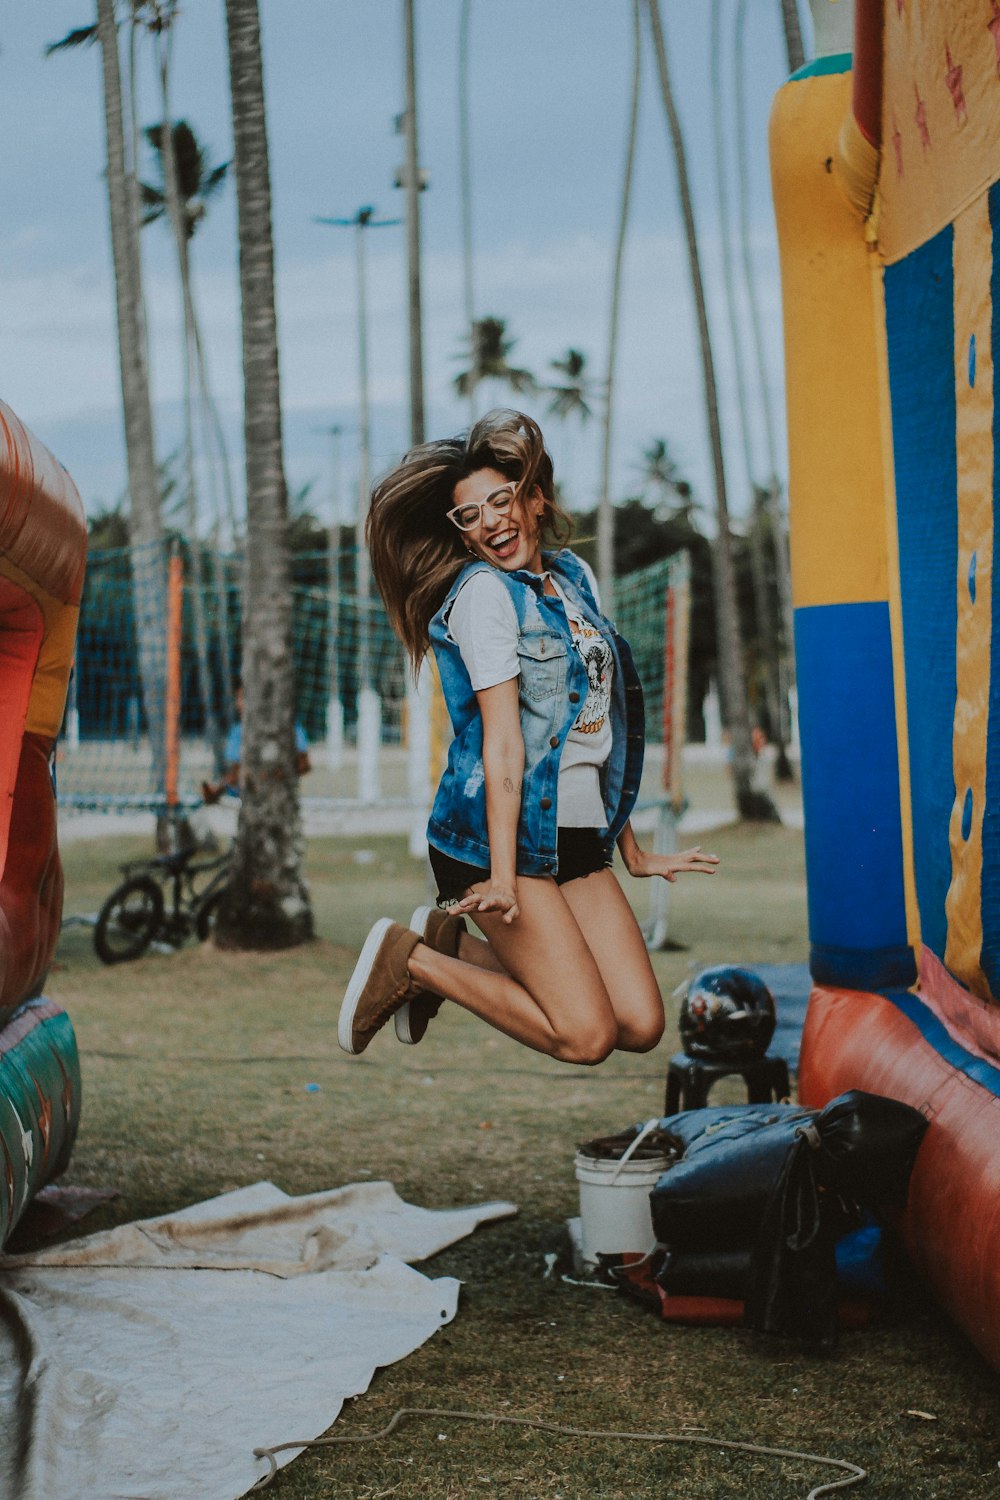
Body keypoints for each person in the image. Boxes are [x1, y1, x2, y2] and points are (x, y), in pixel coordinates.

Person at [338, 410, 718, 1063]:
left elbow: (590, 731)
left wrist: (627, 848)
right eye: (469, 516)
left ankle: (452, 946)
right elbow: (505, 743)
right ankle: (415, 963)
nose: (489, 520)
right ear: (462, 535)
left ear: (534, 500)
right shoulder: (485, 596)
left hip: (573, 834)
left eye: (500, 499)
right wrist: (507, 880)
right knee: (585, 1034)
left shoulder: (573, 581)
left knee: (639, 1021)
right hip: (495, 843)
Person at [201, 676, 311, 803]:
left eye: (244, 698)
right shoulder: (238, 732)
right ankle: (217, 791)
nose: (239, 704)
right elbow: (236, 770)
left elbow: (304, 764)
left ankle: (217, 791)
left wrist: (273, 774)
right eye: (238, 698)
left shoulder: (287, 727)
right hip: (244, 794)